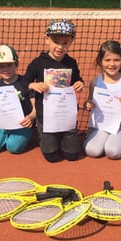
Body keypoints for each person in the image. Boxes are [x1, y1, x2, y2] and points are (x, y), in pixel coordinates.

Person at [23, 19, 85, 163]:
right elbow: (24, 82)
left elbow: (77, 79)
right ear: (46, 40)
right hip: (46, 114)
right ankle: (46, 136)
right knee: (52, 157)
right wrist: (34, 86)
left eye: (65, 43)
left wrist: (79, 83)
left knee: (72, 156)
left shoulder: (71, 63)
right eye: (56, 41)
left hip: (66, 113)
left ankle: (64, 137)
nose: (60, 46)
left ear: (71, 42)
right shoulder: (38, 63)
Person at [83, 40, 121, 159]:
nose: (112, 64)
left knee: (112, 152)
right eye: (107, 60)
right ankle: (100, 137)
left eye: (116, 60)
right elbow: (88, 103)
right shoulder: (95, 82)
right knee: (92, 151)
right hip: (102, 126)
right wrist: (88, 104)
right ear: (100, 61)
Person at [0, 45, 36, 154]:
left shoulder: (25, 82)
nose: (5, 69)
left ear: (16, 65)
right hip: (3, 125)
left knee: (13, 147)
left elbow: (36, 106)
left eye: (9, 65)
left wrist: (31, 117)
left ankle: (19, 138)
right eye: (1, 66)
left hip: (23, 125)